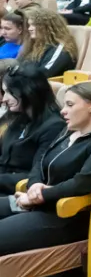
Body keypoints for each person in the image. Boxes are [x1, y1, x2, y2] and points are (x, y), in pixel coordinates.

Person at [0, 82, 91, 257]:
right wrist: (35, 184)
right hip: (39, 201)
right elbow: (40, 160)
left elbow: (82, 183)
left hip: (64, 214)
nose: (63, 111)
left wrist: (39, 197)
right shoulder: (69, 130)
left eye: (70, 104)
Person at [0, 65, 65, 194]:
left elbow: (38, 173)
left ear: (29, 92)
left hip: (19, 192)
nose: (4, 98)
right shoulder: (16, 118)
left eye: (10, 92)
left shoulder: (54, 127)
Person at [18, 9, 78, 78]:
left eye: (34, 25)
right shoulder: (35, 45)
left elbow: (44, 74)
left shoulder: (61, 49)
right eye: (29, 25)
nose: (30, 29)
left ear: (47, 27)